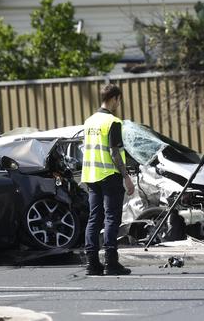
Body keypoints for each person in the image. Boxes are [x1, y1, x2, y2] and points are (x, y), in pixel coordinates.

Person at [82, 84, 135, 276]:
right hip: (109, 175)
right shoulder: (113, 122)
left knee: (94, 218)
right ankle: (111, 262)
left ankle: (92, 263)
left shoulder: (89, 121)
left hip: (90, 175)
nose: (119, 104)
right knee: (111, 218)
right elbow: (114, 152)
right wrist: (126, 177)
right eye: (119, 100)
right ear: (114, 98)